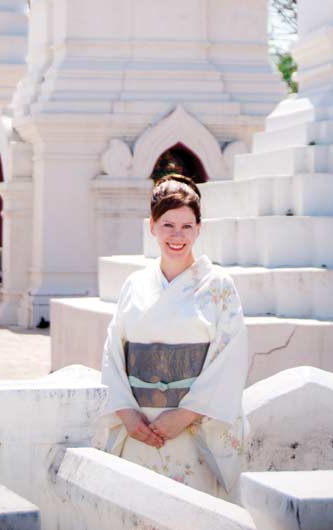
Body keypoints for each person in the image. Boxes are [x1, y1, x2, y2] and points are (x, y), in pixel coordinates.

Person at [95, 174, 248, 500]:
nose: (177, 236)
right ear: (152, 226)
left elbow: (230, 357)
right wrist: (126, 413)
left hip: (193, 427)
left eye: (186, 226)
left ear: (199, 228)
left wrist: (185, 415)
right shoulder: (134, 284)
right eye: (168, 225)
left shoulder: (218, 285)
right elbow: (112, 351)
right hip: (139, 427)